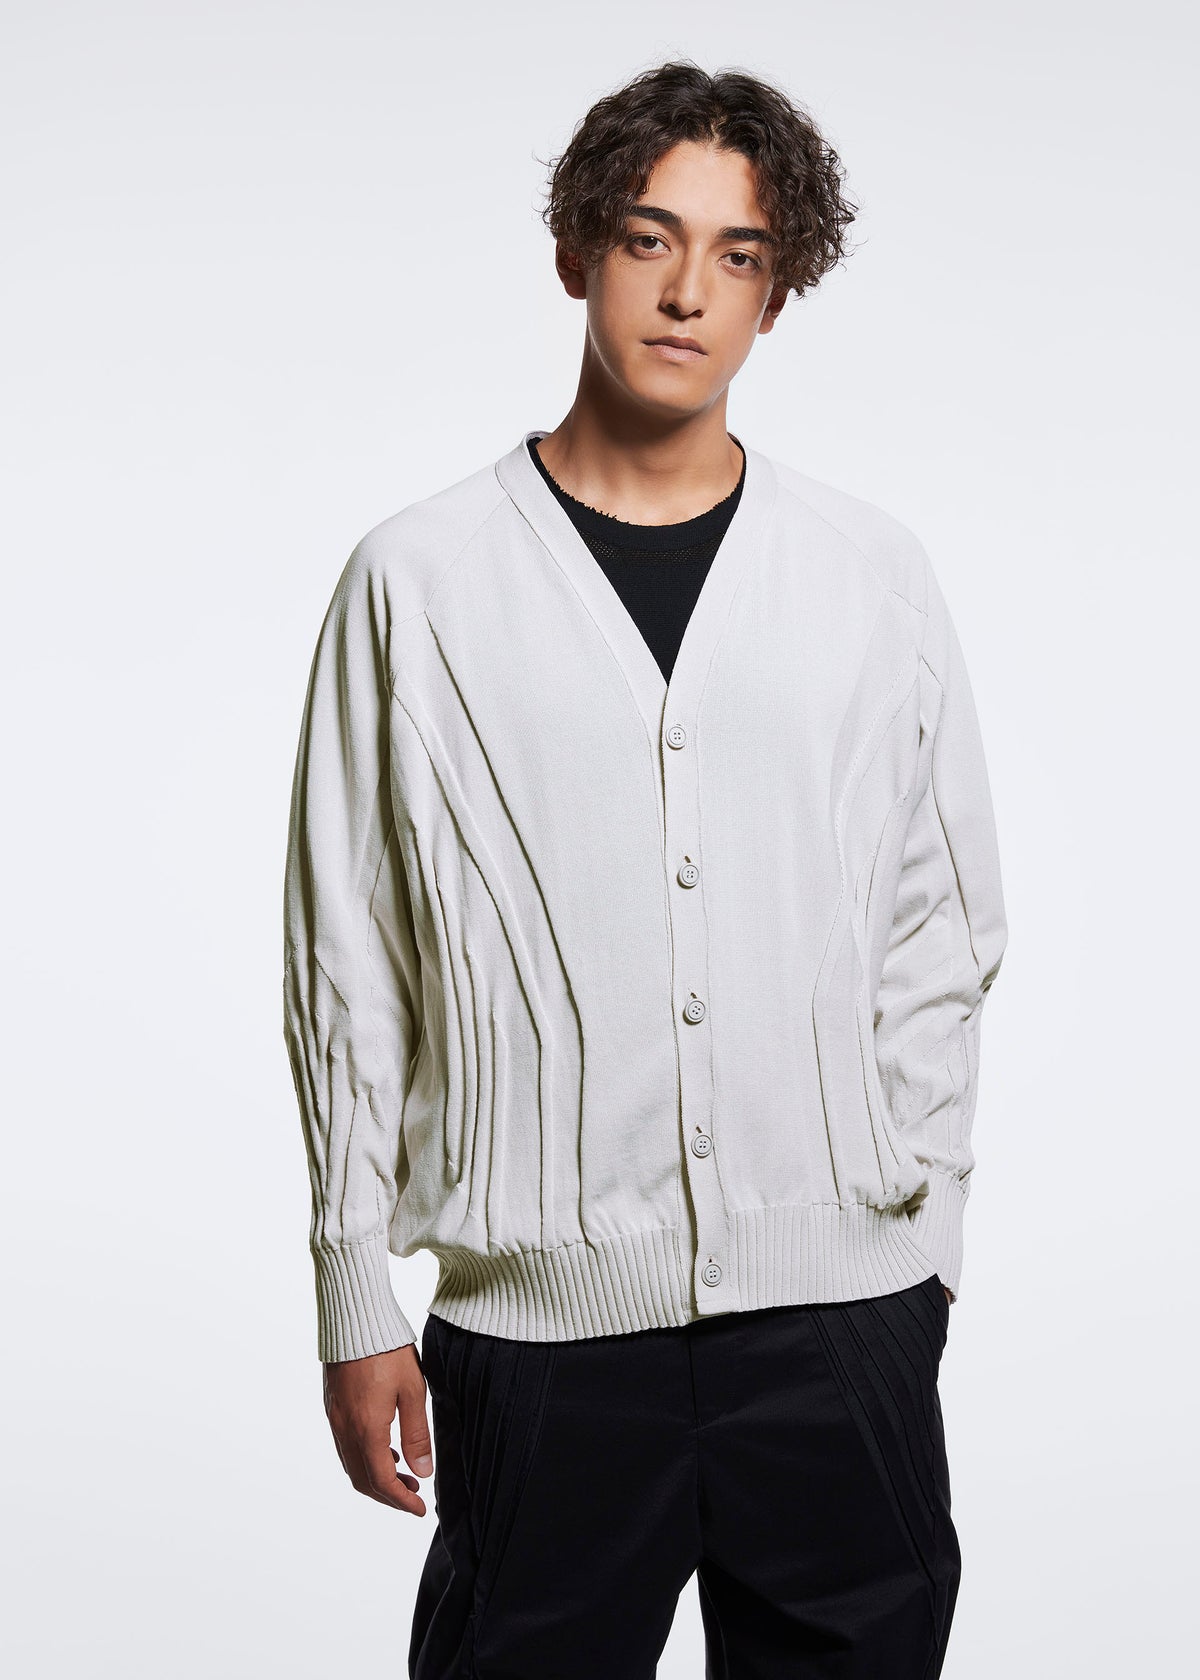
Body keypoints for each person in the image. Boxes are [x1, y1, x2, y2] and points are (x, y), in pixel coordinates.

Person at [282, 58, 1008, 1680]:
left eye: (738, 255)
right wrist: (352, 1289)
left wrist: (927, 1251)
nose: (688, 292)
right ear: (576, 253)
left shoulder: (870, 578)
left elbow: (939, 929)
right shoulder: (418, 583)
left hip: (840, 1329)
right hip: (536, 1342)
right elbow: (347, 957)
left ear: (775, 292)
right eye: (647, 238)